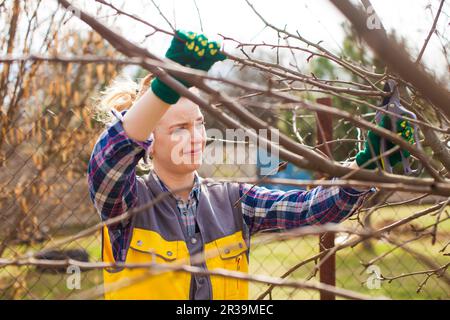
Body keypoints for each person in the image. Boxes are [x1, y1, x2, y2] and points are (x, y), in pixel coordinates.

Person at [87, 30, 415, 300]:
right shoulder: (127, 208)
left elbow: (308, 208)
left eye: (199, 124)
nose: (197, 137)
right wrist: (165, 83)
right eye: (179, 129)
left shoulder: (233, 201)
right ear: (149, 142)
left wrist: (367, 164)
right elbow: (108, 160)